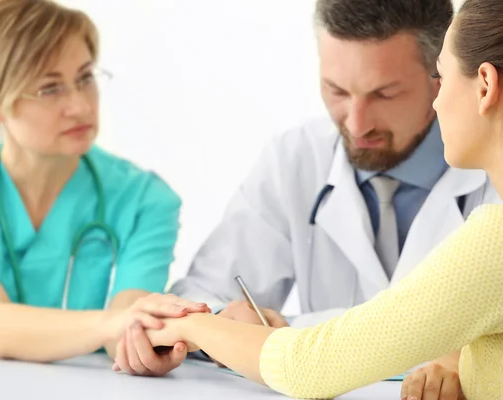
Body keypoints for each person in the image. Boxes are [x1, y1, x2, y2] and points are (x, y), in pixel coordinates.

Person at [116, 0, 503, 398]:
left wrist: (216, 331)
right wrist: (215, 323)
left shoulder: (493, 215)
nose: (356, 123)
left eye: (385, 94)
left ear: (460, 81)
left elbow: (319, 362)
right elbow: (203, 293)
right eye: (336, 90)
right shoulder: (295, 158)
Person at [0, 0, 210, 363]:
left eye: (84, 78)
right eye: (50, 89)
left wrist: (156, 341)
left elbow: (128, 335)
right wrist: (115, 324)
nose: (79, 106)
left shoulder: (146, 201)